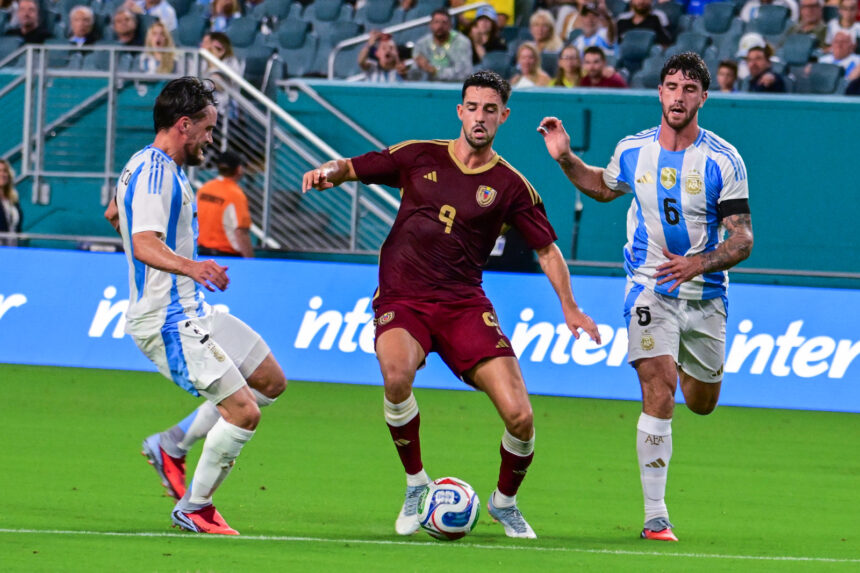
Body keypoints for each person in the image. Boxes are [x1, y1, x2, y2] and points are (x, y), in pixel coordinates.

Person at [302, 70, 600, 539]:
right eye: (472, 107)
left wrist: (571, 307)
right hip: (404, 298)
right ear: (460, 111)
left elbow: (547, 250)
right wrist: (327, 174)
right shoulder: (419, 156)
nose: (480, 117)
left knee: (520, 417)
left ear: (503, 116)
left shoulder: (511, 186)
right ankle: (416, 484)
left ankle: (504, 503)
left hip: (464, 305)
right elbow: (355, 166)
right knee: (396, 375)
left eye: (490, 110)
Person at [538, 52, 754, 542]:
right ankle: (656, 516)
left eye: (689, 88)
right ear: (659, 93)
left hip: (705, 295)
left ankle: (684, 362)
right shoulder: (633, 150)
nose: (678, 96)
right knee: (660, 391)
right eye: (671, 86)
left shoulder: (724, 160)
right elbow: (603, 185)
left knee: (701, 402)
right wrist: (567, 158)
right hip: (648, 287)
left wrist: (697, 263)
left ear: (703, 97)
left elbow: (742, 239)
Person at [104, 77, 286, 535]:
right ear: (184, 125)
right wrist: (188, 266)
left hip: (190, 310)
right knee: (244, 412)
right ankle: (196, 507)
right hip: (167, 319)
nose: (212, 138)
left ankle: (173, 444)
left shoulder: (152, 167)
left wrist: (170, 270)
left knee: (269, 379)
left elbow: (114, 215)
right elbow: (143, 242)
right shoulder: (155, 172)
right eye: (207, 128)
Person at [196, 150, 254, 258]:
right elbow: (241, 232)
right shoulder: (236, 195)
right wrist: (250, 261)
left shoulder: (204, 189)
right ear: (239, 169)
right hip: (227, 257)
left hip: (202, 255)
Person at [411, 9, 473, 82]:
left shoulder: (462, 42)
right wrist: (404, 73)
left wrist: (435, 71)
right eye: (436, 22)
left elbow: (464, 73)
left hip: (454, 89)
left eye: (444, 22)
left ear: (450, 25)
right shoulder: (421, 44)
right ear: (430, 25)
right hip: (427, 88)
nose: (440, 26)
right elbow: (414, 76)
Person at [0, 158, 22, 246]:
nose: (2, 174)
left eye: (5, 171)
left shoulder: (13, 199)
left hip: (12, 248)